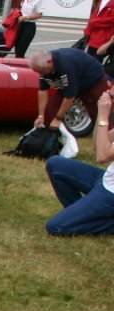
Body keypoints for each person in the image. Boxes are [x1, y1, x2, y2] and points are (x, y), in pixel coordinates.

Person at [45, 86, 114, 234]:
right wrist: (101, 118)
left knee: (56, 226)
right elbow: (97, 145)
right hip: (106, 180)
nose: (109, 99)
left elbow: (102, 156)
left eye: (112, 97)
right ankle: (82, 214)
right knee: (55, 164)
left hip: (111, 194)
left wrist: (103, 116)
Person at [30, 48, 110, 132]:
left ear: (49, 62)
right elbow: (43, 90)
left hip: (92, 82)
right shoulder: (44, 66)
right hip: (69, 82)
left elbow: (70, 95)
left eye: (41, 71)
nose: (40, 74)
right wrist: (41, 116)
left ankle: (110, 140)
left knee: (101, 114)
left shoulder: (65, 65)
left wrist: (58, 118)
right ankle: (49, 139)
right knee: (51, 113)